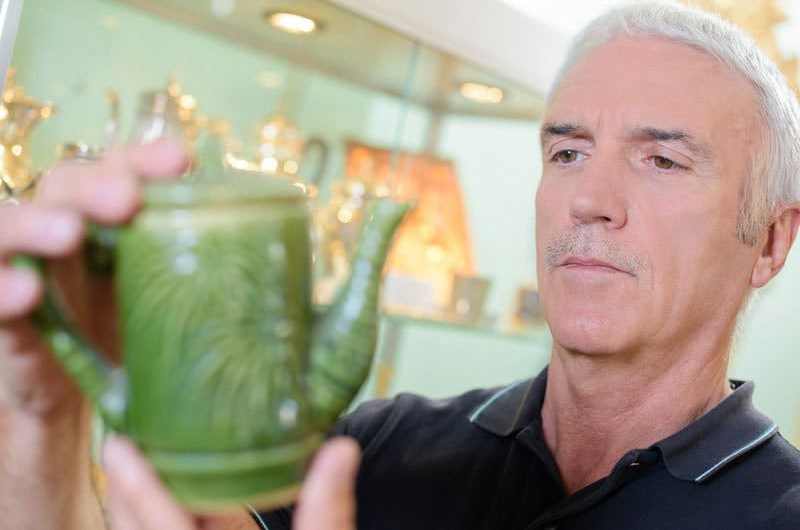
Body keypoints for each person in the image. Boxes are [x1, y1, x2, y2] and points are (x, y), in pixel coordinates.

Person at [2, 1, 800, 529]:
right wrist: (44, 419)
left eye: (662, 161)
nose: (588, 199)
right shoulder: (377, 443)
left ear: (770, 240)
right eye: (567, 152)